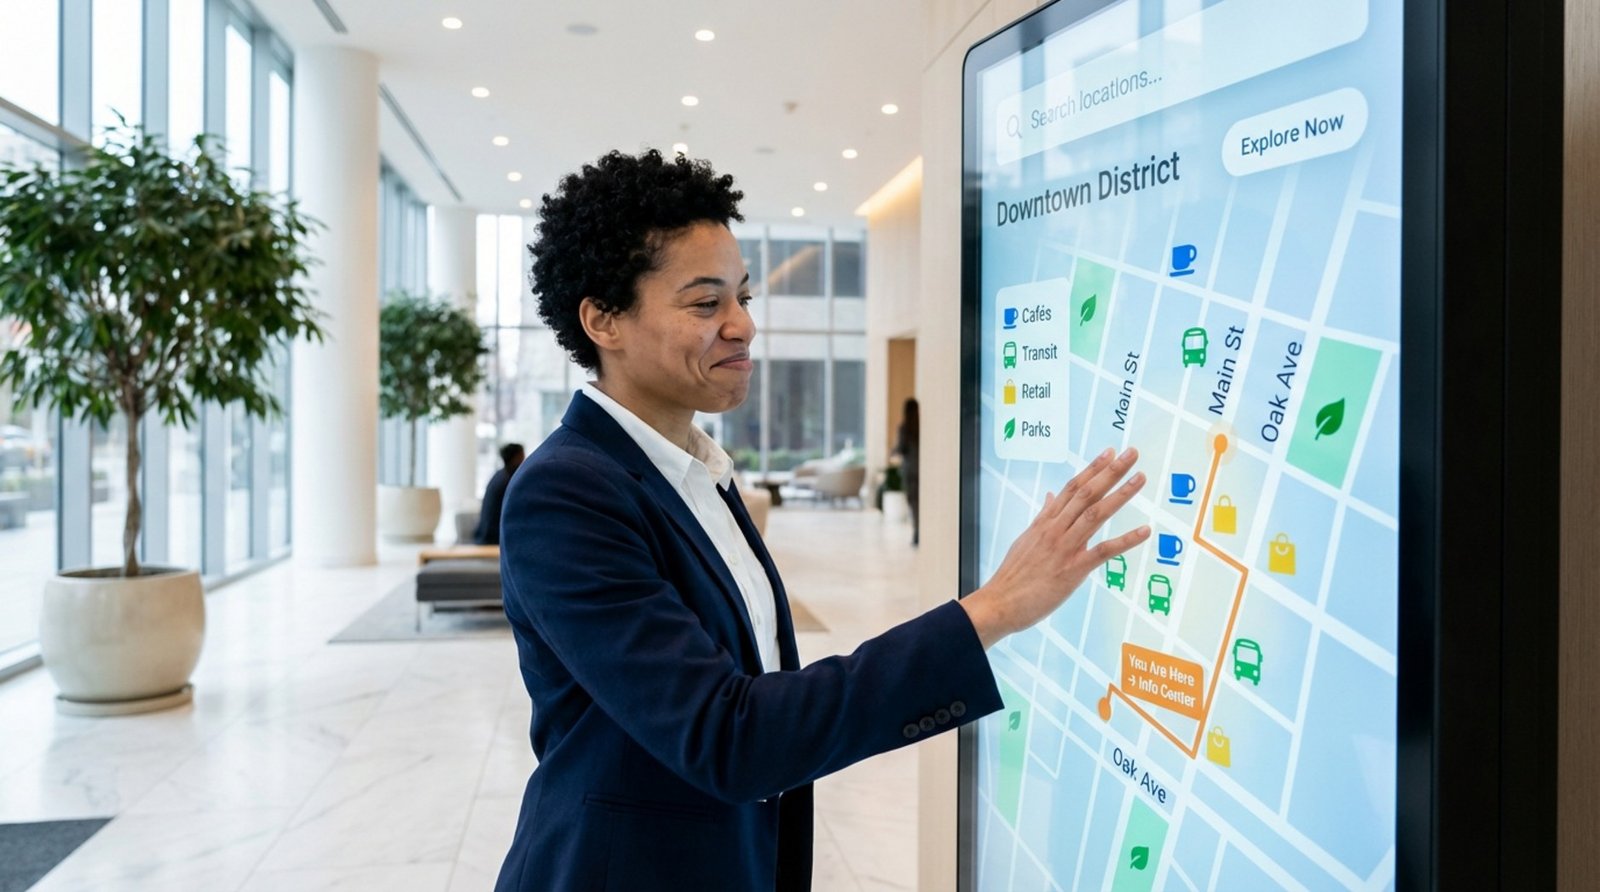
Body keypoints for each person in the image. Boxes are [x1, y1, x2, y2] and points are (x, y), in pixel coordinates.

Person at [493, 149, 1149, 891]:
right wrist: (989, 611)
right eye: (706, 304)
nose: (741, 325)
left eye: (742, 295)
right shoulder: (567, 492)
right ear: (603, 320)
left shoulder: (697, 470)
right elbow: (726, 735)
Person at [473, 442, 524, 546]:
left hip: (484, 535)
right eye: (522, 456)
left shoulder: (500, 475)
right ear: (516, 457)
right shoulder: (509, 480)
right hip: (493, 538)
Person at [893, 397, 920, 546]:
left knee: (914, 502)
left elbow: (901, 448)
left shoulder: (905, 428)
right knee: (921, 502)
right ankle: (920, 531)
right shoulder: (921, 426)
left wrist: (893, 450)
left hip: (910, 470)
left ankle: (917, 531)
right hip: (921, 469)